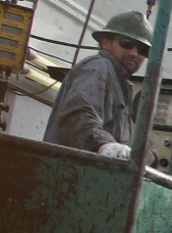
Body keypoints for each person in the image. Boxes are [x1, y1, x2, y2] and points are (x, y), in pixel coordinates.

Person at [44, 10, 152, 158]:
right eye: (127, 44)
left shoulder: (120, 84)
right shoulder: (97, 68)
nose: (134, 53)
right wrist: (103, 145)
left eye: (142, 49)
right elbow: (80, 116)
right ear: (106, 43)